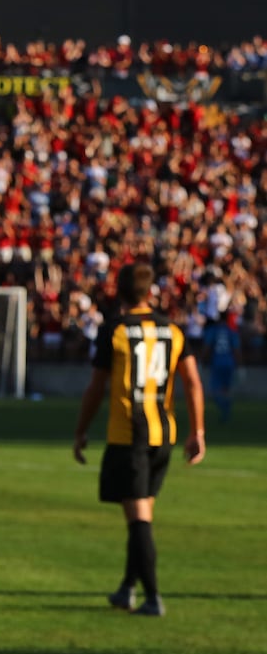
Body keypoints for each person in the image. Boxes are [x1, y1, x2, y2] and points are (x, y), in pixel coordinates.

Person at [72, 262, 205, 617]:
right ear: (151, 292)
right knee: (141, 509)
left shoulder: (115, 330)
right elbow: (192, 381)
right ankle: (127, 589)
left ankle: (153, 596)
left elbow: (97, 387)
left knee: (139, 519)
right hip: (164, 435)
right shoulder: (173, 330)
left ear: (119, 291)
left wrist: (81, 430)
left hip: (128, 435)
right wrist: (198, 431)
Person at [201, 311, 241, 423]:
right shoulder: (231, 331)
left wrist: (203, 362)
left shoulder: (213, 331)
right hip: (229, 363)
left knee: (215, 391)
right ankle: (226, 411)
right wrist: (240, 366)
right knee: (226, 390)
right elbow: (236, 350)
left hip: (217, 363)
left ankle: (225, 411)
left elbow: (207, 347)